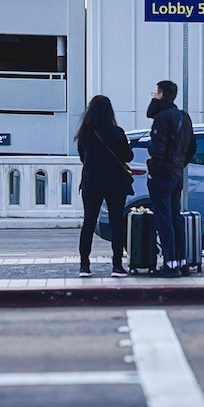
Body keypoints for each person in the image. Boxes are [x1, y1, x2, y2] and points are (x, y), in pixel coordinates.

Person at [75, 95, 134, 277]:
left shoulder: (84, 135)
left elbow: (82, 158)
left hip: (92, 183)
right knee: (117, 223)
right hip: (115, 183)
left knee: (89, 223)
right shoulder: (117, 132)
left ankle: (84, 266)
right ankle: (117, 265)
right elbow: (128, 157)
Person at [146, 80, 197, 277]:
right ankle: (181, 262)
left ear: (161, 94)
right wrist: (180, 164)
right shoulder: (184, 117)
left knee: (163, 219)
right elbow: (192, 146)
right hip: (177, 174)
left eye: (155, 92)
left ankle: (169, 264)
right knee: (176, 218)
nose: (153, 96)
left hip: (163, 175)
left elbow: (158, 149)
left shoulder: (162, 118)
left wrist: (154, 167)